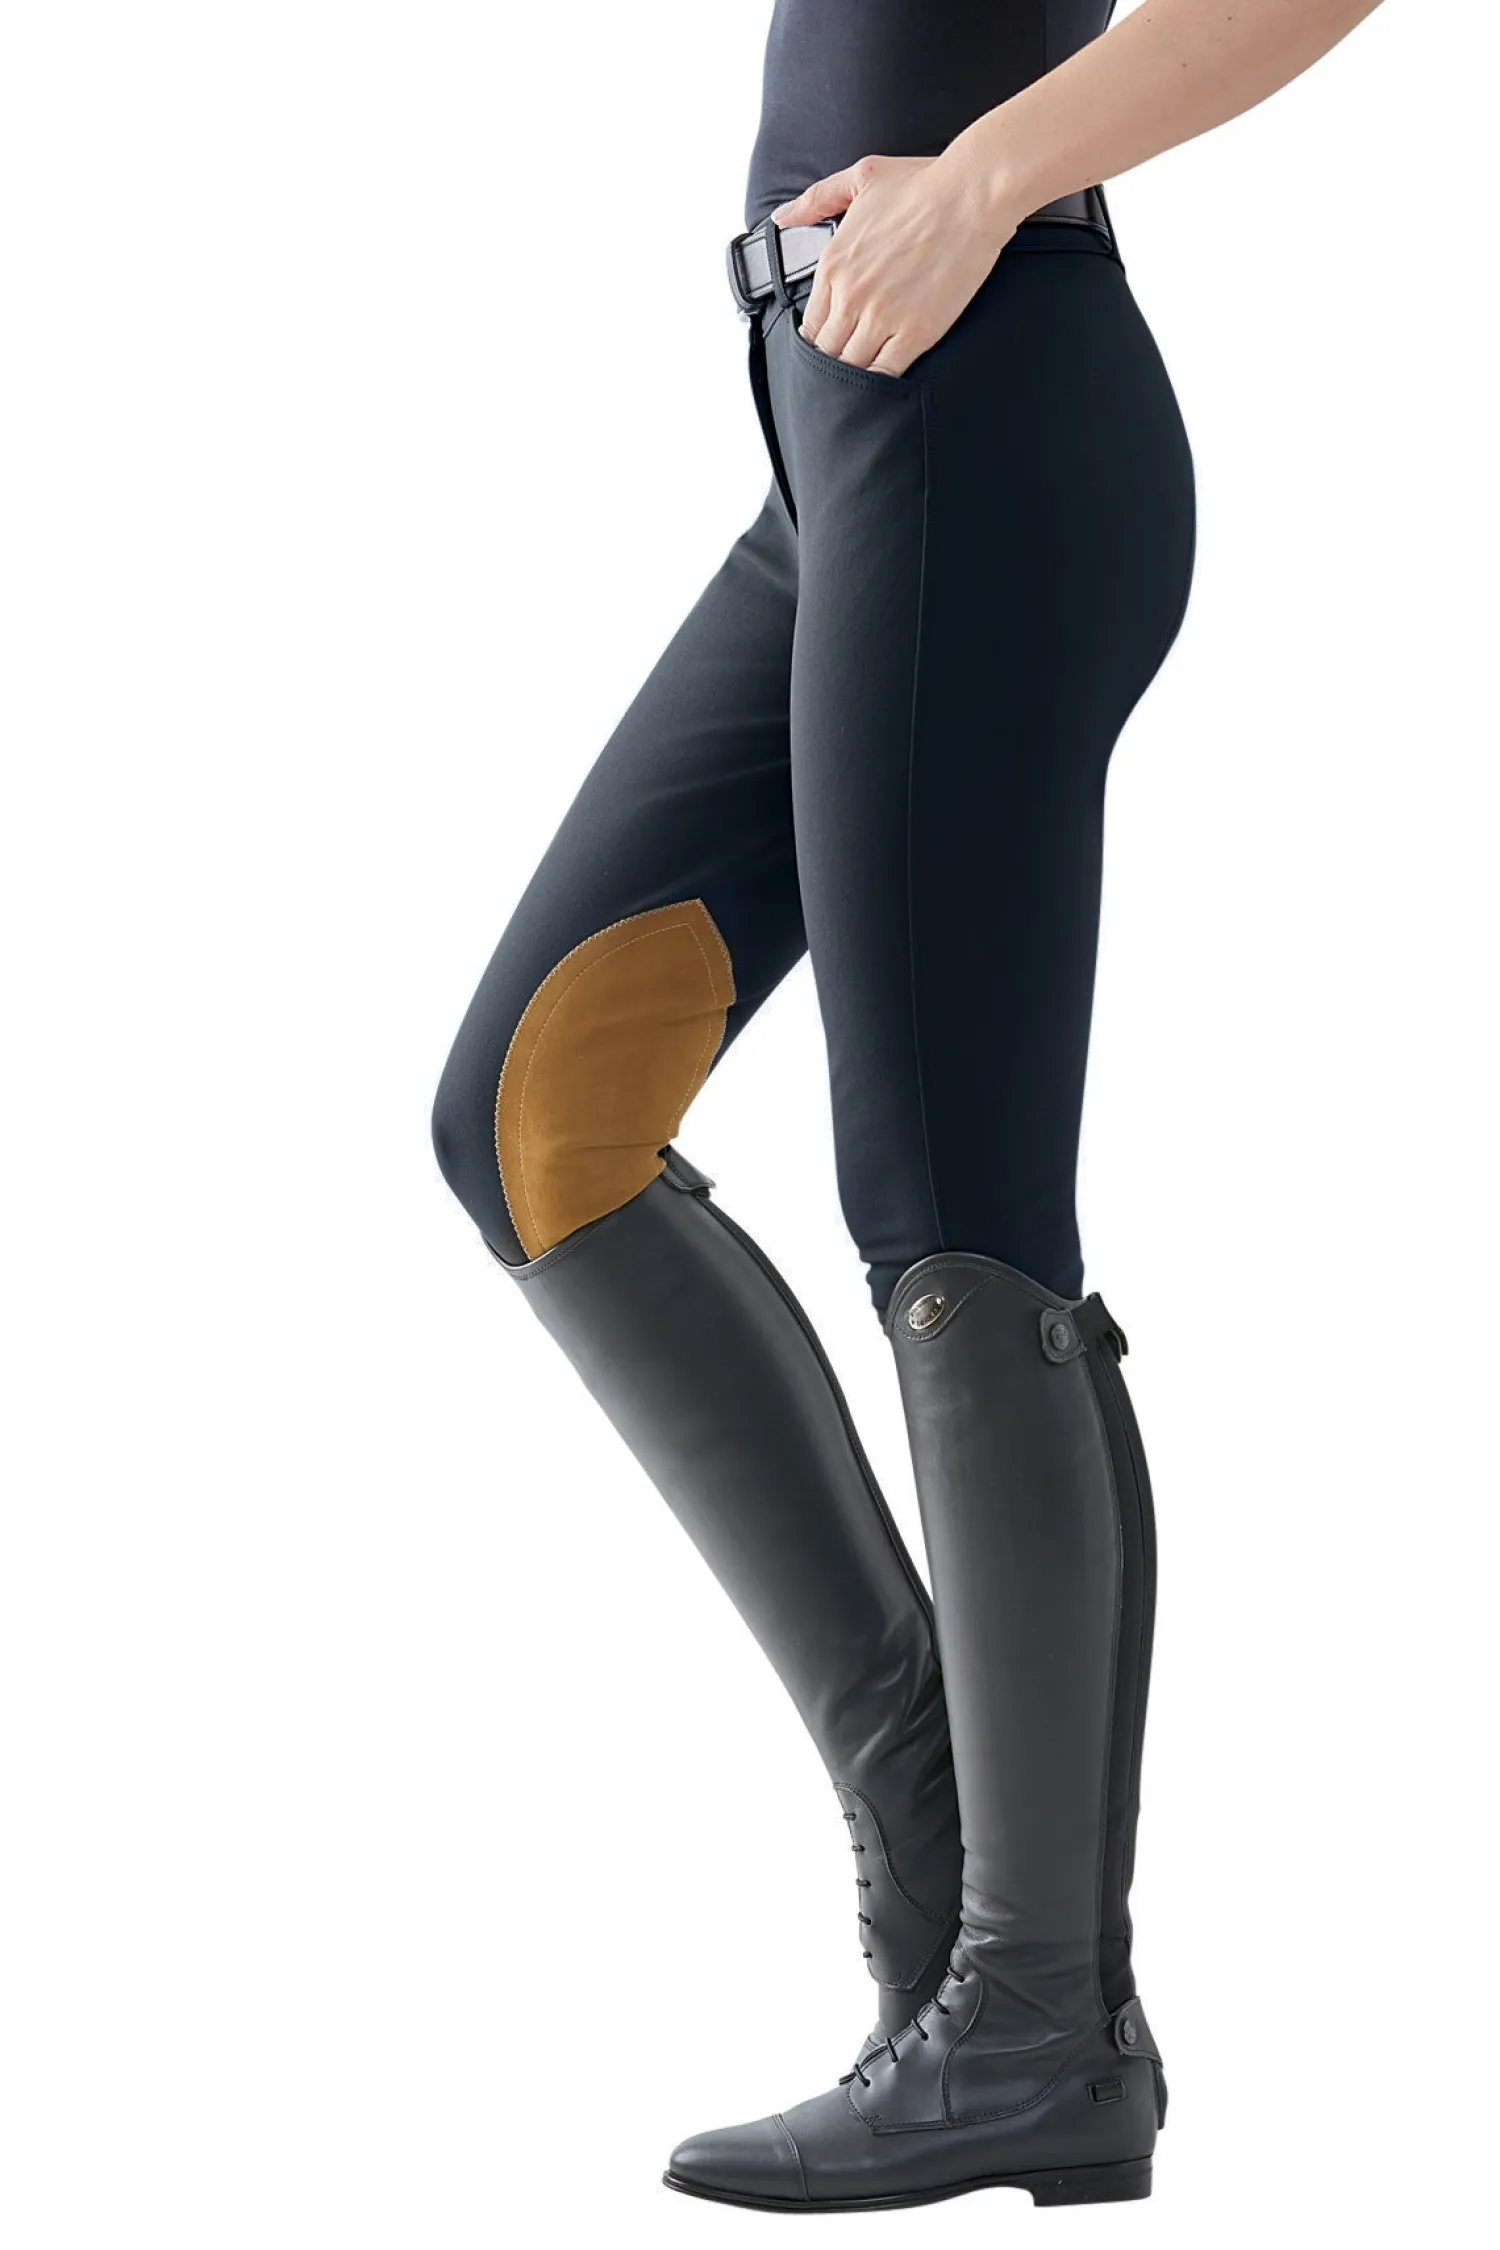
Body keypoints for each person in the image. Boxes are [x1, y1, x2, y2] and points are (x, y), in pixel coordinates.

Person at [432, 0, 1382, 2213]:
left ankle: (1040, 2013)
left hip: (984, 398)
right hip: (841, 443)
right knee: (534, 1121)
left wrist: (989, 173)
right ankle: (968, 1880)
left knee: (957, 1214)